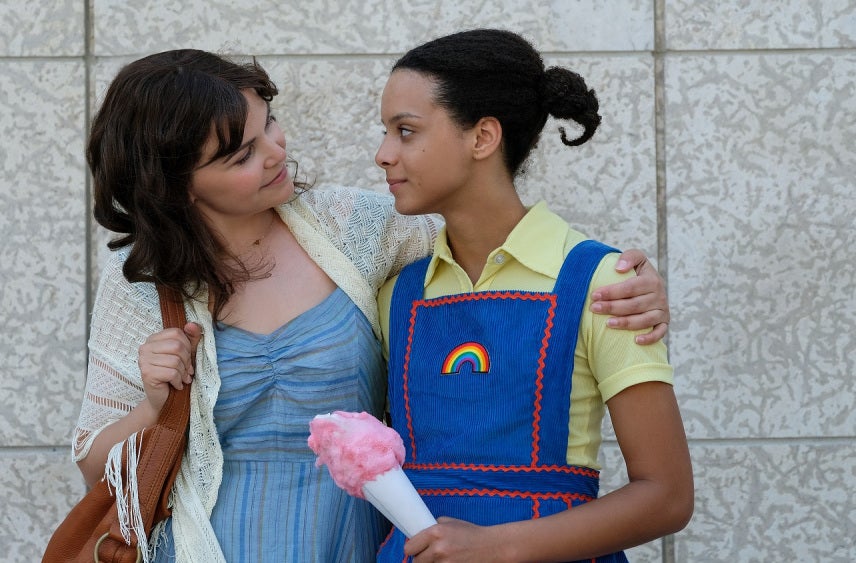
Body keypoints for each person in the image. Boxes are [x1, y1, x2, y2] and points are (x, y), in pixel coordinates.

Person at [70, 49, 672, 563]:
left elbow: (486, 250)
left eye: (269, 124)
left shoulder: (351, 227)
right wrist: (155, 406)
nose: (275, 151)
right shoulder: (142, 286)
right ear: (177, 186)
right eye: (242, 155)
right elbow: (96, 466)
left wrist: (628, 279)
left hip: (358, 545)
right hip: (205, 547)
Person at [373, 29, 694, 563]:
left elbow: (667, 496)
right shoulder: (397, 293)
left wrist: (494, 547)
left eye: (406, 131)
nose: (383, 154)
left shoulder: (604, 285)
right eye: (386, 132)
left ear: (482, 137)